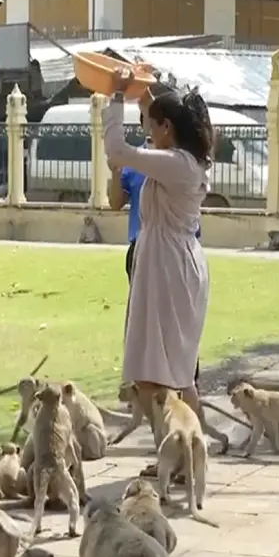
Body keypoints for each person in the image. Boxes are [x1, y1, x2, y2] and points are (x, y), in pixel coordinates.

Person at [104, 70, 211, 478]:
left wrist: (114, 95)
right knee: (166, 374)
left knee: (166, 375)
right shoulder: (182, 157)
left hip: (169, 268)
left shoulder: (177, 164)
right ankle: (181, 456)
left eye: (153, 125)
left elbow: (116, 149)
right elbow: (155, 116)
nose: (148, 131)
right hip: (164, 263)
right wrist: (140, 89)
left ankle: (182, 456)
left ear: (168, 129)